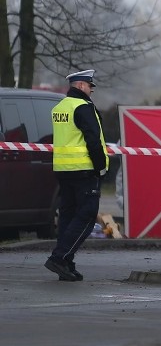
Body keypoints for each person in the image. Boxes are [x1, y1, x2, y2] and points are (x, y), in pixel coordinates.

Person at [44, 70, 109, 282]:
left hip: (64, 170)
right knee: (88, 216)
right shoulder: (83, 107)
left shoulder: (60, 107)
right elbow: (93, 139)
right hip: (84, 170)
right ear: (81, 85)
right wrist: (100, 167)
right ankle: (60, 258)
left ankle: (67, 264)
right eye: (90, 86)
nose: (92, 90)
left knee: (68, 217)